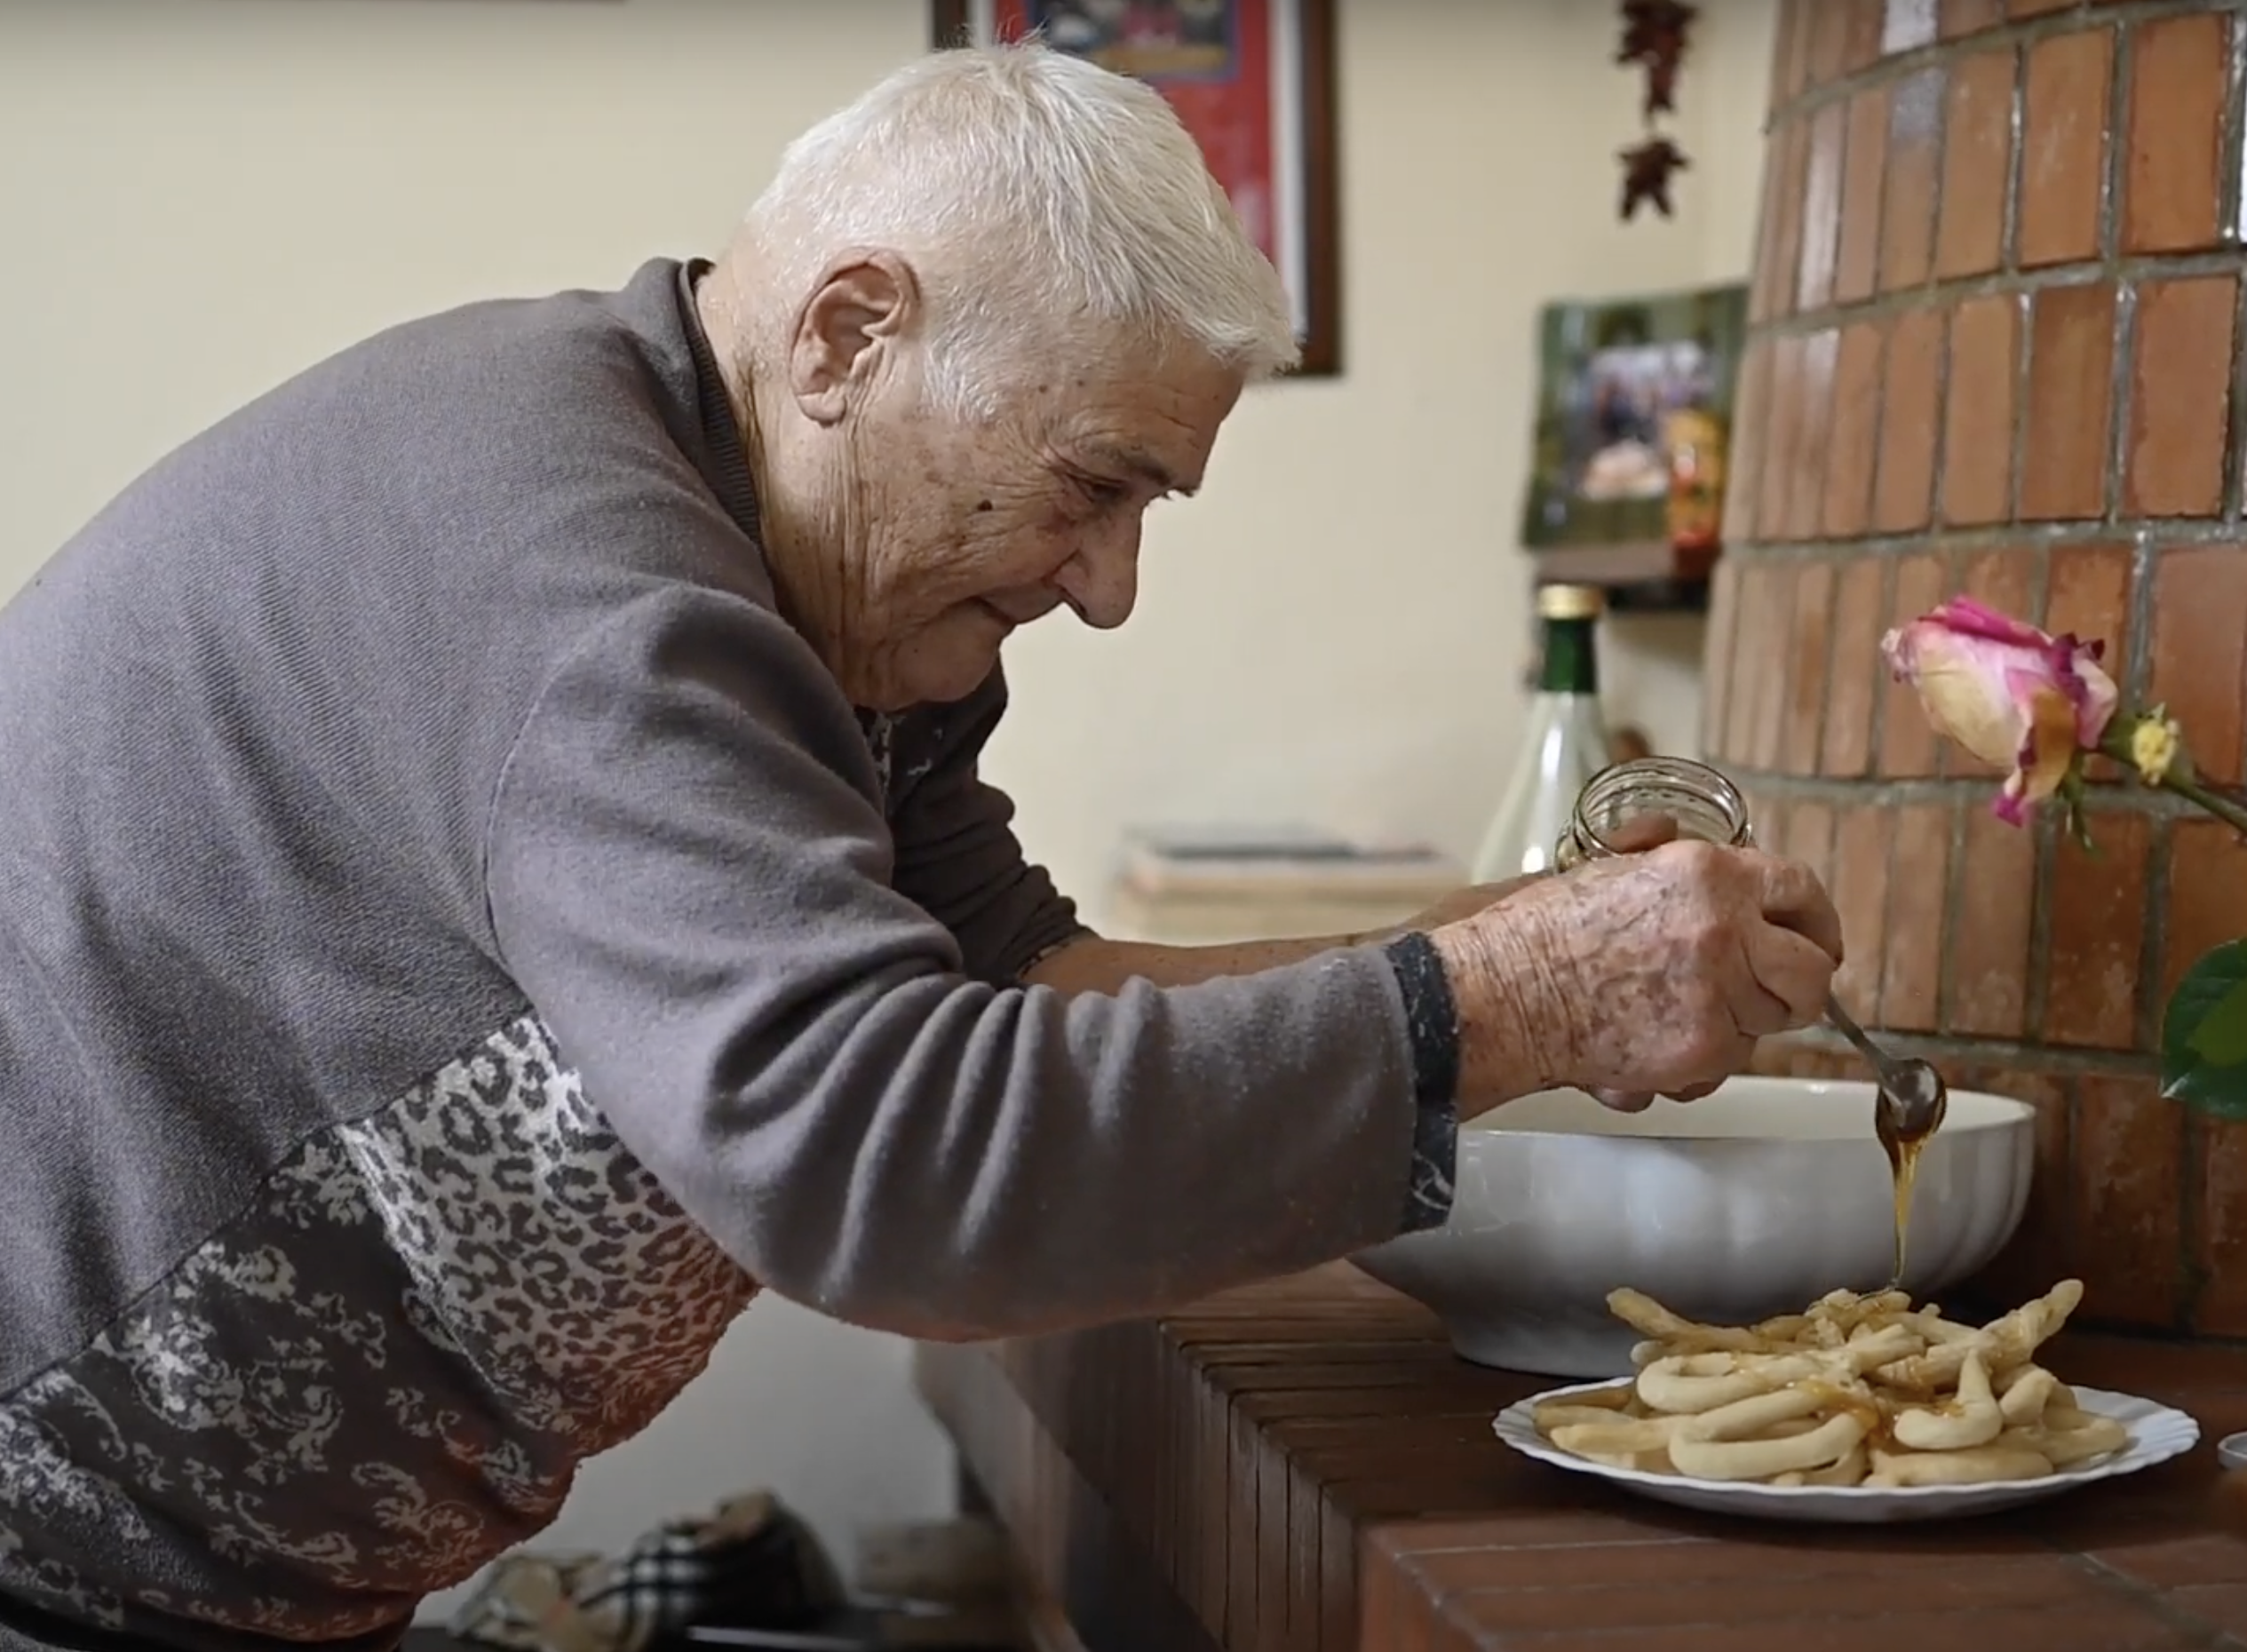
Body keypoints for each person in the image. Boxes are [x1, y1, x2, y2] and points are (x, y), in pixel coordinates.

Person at [0, 43, 1841, 1652]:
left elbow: (1023, 988)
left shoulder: (812, 606)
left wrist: (1527, 951)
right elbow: (889, 1156)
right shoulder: (598, 589)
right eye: (1095, 484)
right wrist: (1516, 997)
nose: (1109, 590)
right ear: (846, 336)